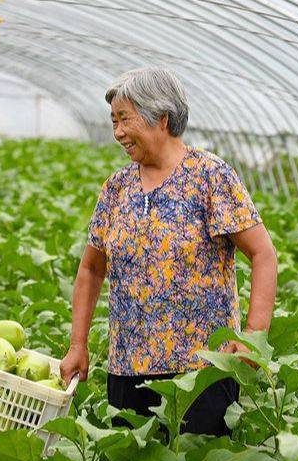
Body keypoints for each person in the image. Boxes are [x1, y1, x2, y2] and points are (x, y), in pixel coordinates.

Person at [60, 67, 277, 441]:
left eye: (125, 120)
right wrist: (77, 345)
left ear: (162, 118)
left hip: (201, 374)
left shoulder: (210, 177)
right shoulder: (117, 188)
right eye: (113, 122)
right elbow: (92, 270)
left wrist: (254, 337)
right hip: (128, 371)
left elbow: (263, 255)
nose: (118, 133)